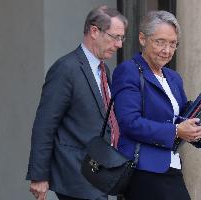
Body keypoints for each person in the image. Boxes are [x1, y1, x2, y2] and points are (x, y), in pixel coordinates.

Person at [26, 6, 127, 200]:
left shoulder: (105, 70)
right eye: (115, 37)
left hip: (99, 174)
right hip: (75, 176)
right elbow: (45, 124)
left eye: (122, 38)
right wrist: (39, 175)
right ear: (94, 31)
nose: (119, 44)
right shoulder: (66, 69)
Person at [111, 10, 201, 200]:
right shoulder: (128, 71)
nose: (167, 50)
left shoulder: (173, 77)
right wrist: (176, 131)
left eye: (172, 44)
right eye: (160, 42)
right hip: (143, 170)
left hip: (171, 167)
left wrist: (195, 130)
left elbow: (180, 117)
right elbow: (129, 122)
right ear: (143, 39)